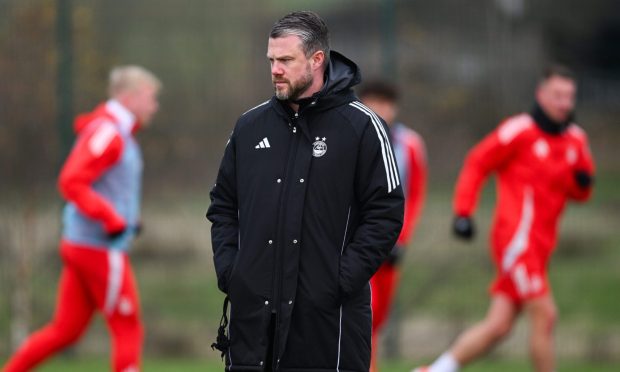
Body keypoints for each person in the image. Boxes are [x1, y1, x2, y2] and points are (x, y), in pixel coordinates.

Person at [207, 11, 404, 372]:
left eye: (285, 60)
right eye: (271, 60)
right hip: (254, 325)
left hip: (327, 324)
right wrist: (233, 273)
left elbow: (386, 212)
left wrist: (338, 281)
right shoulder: (250, 127)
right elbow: (222, 205)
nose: (275, 70)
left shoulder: (362, 126)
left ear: (316, 60)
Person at [413, 65, 595, 372]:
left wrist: (580, 182)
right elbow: (477, 163)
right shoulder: (519, 130)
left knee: (499, 326)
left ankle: (434, 370)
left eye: (569, 96)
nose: (564, 102)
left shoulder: (576, 139)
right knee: (545, 314)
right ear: (541, 94)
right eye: (557, 95)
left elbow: (581, 194)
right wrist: (463, 211)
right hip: (516, 241)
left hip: (540, 247)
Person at [3, 65, 161, 372]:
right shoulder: (109, 132)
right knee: (127, 326)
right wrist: (111, 219)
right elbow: (71, 180)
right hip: (99, 247)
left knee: (66, 331)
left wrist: (128, 217)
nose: (155, 105)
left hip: (83, 244)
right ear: (130, 97)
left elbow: (109, 187)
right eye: (151, 97)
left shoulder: (118, 132)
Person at [359, 81, 427, 372]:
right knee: (364, 313)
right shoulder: (349, 139)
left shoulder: (410, 145)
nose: (379, 110)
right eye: (373, 102)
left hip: (391, 245)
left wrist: (402, 239)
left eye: (385, 104)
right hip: (357, 245)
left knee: (378, 319)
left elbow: (415, 195)